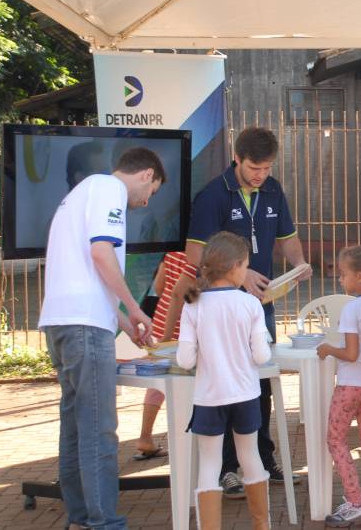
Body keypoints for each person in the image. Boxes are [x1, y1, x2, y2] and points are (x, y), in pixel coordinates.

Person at [167, 126, 311, 497]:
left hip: (259, 306)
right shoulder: (213, 195)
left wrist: (298, 263)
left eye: (266, 168)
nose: (260, 175)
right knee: (224, 384)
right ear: (237, 159)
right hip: (220, 305)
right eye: (253, 168)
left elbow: (287, 237)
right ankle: (228, 468)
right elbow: (195, 253)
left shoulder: (274, 190)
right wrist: (240, 273)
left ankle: (263, 459)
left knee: (260, 381)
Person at [39, 147, 165, 530]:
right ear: (146, 174)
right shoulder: (110, 190)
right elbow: (100, 252)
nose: (146, 202)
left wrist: (121, 318)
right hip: (83, 325)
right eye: (153, 191)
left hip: (61, 321)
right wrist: (134, 307)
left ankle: (80, 518)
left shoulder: (80, 193)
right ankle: (104, 522)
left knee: (76, 426)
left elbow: (87, 264)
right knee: (98, 428)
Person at [177, 232, 273, 530]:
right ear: (234, 266)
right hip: (245, 393)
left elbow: (185, 360)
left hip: (208, 397)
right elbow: (261, 357)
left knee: (209, 464)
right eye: (245, 265)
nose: (246, 271)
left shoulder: (193, 304)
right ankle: (262, 525)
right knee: (250, 457)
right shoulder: (250, 304)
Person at [316, 246, 361, 526]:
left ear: (360, 276)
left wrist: (328, 349)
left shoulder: (352, 308)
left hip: (350, 384)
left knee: (335, 439)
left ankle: (355, 501)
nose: (339, 279)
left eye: (342, 274)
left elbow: (351, 354)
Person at [133, 250, 192, 460]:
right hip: (185, 325)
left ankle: (145, 435)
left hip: (162, 319)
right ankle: (187, 439)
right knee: (188, 382)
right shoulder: (197, 256)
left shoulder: (172, 252)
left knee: (157, 384)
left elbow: (159, 286)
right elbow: (186, 293)